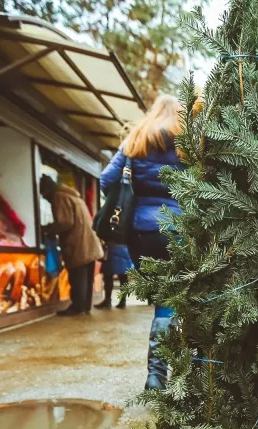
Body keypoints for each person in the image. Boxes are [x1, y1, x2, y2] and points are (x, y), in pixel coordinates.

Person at [100, 94, 188, 389]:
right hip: (177, 229)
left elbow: (106, 180)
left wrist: (135, 199)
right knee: (174, 299)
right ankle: (165, 374)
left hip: (140, 233)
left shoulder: (136, 140)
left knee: (163, 299)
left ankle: (156, 375)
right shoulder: (187, 143)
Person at [40, 174, 102, 316]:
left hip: (77, 244)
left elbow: (65, 222)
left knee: (77, 277)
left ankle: (77, 307)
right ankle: (84, 307)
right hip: (89, 244)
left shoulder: (59, 197)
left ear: (46, 191)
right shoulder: (74, 197)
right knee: (86, 279)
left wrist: (47, 229)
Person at [94, 243, 133, 309]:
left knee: (108, 276)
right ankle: (123, 301)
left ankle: (107, 301)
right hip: (125, 249)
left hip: (111, 249)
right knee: (123, 277)